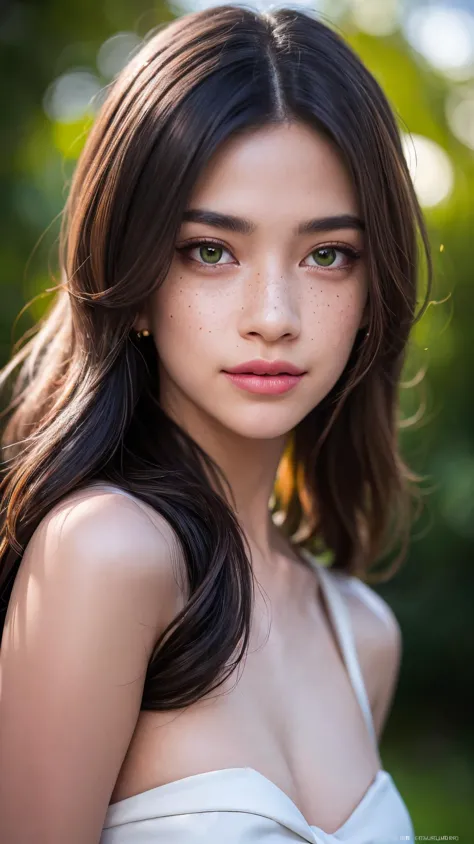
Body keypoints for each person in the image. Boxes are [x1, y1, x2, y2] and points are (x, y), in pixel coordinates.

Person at [0, 3, 431, 842]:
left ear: (374, 294)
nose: (273, 315)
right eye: (210, 250)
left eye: (327, 254)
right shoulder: (104, 554)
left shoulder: (364, 636)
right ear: (129, 280)